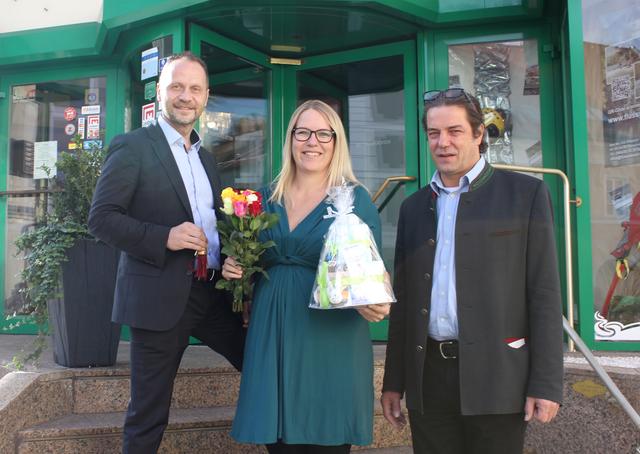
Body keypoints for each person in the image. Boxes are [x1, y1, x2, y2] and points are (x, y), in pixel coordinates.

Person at [381, 88, 564, 454]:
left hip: (499, 376)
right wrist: (393, 381)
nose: (442, 143)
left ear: (479, 135)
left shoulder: (526, 194)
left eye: (454, 131)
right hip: (428, 377)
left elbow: (544, 293)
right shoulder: (413, 207)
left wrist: (545, 383)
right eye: (434, 133)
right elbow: (403, 301)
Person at [88, 52, 244, 454]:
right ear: (160, 93)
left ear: (206, 96)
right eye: (176, 86)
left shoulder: (207, 159)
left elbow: (211, 224)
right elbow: (102, 218)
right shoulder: (134, 146)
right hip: (157, 298)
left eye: (194, 88)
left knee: (261, 365)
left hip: (211, 295)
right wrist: (164, 237)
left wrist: (227, 257)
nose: (185, 96)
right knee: (148, 413)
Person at [224, 99, 391, 454]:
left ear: (336, 142)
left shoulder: (353, 200)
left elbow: (374, 271)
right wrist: (235, 269)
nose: (311, 142)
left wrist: (377, 300)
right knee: (278, 442)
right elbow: (250, 263)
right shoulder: (264, 198)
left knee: (325, 439)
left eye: (322, 134)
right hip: (273, 332)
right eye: (302, 132)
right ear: (291, 140)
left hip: (330, 338)